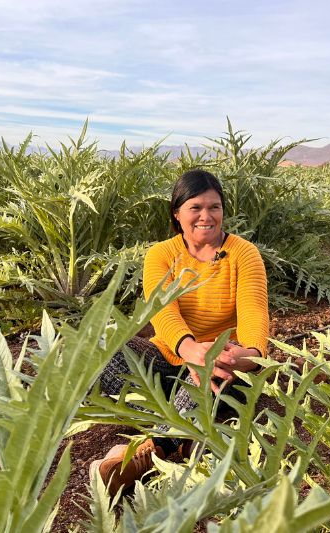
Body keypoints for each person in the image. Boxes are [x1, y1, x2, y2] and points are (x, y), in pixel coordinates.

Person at [90, 168, 269, 495]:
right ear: (176, 213)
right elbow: (163, 313)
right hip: (170, 357)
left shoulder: (244, 254)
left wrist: (249, 356)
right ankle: (191, 430)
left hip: (224, 362)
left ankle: (152, 449)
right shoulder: (161, 254)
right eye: (195, 207)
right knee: (100, 342)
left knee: (214, 372)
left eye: (214, 207)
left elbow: (254, 313)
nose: (206, 216)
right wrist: (191, 351)